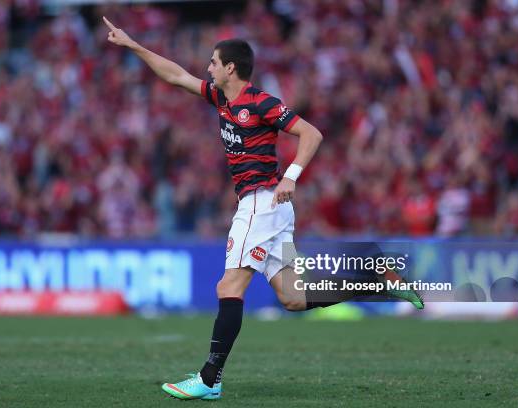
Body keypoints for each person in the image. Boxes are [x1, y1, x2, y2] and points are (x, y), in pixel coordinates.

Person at [102, 16, 423, 401]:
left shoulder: (261, 103)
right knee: (293, 297)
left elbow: (312, 133)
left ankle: (209, 378)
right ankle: (372, 275)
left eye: (213, 62)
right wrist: (133, 45)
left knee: (229, 286)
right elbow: (175, 76)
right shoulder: (221, 97)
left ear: (230, 67)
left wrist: (291, 176)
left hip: (261, 204)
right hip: (270, 210)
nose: (208, 68)